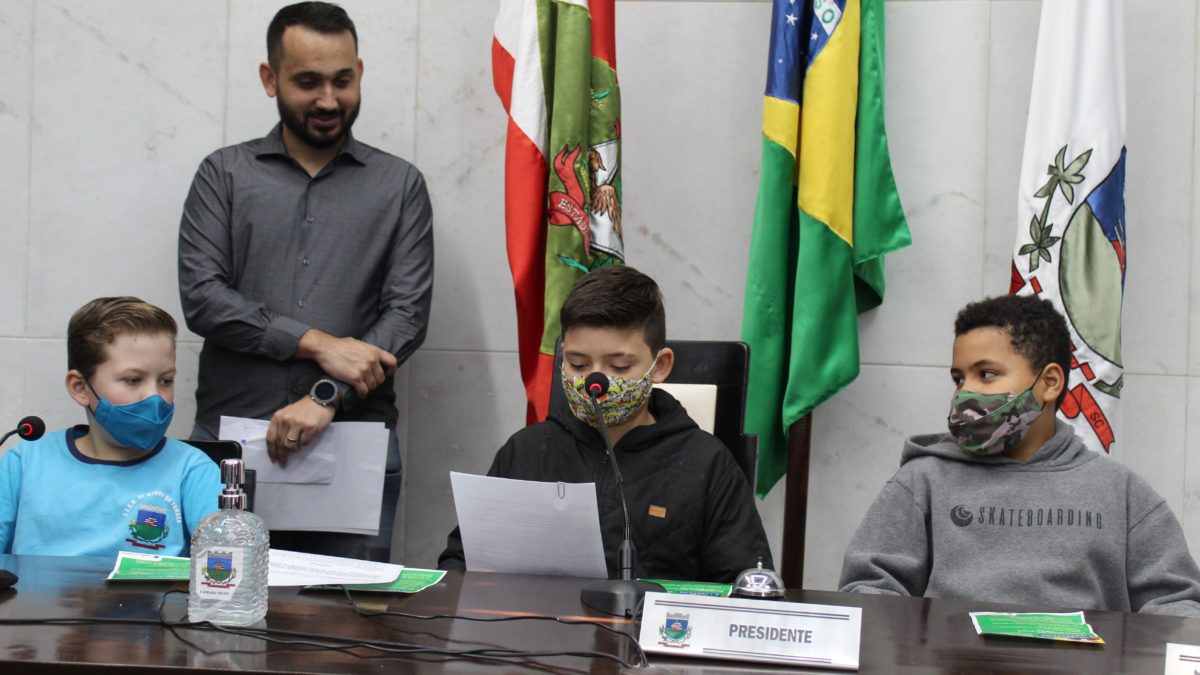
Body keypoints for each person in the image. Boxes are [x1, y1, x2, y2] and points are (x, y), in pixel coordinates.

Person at [178, 1, 433, 561]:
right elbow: (203, 298)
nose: (327, 100)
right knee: (213, 621)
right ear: (270, 79)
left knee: (345, 635)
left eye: (342, 80)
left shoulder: (400, 186)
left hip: (353, 445)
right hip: (229, 445)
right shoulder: (223, 175)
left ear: (359, 72)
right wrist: (318, 344)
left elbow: (406, 316)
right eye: (307, 82)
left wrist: (326, 396)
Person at [839, 295, 1200, 616]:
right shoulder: (922, 481)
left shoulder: (1122, 492)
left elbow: (1176, 604)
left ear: (1050, 383)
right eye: (958, 379)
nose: (965, 394)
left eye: (986, 374)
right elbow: (869, 591)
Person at [438, 266, 772, 582]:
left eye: (620, 366)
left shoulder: (707, 464)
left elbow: (742, 588)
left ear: (660, 366)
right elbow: (460, 563)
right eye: (578, 364)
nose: (595, 382)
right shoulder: (526, 452)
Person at [0, 297, 221, 557]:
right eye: (133, 380)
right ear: (80, 388)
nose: (154, 397)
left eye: (165, 380)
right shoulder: (25, 462)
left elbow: (224, 569)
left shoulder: (192, 471)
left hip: (152, 599)